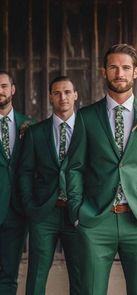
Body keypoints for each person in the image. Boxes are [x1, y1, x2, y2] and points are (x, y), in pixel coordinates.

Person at [66, 43, 137, 295]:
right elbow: (74, 168)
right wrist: (78, 211)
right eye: (113, 67)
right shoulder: (86, 117)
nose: (119, 73)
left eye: (125, 67)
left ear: (136, 72)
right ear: (104, 71)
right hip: (96, 219)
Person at [18, 76, 81, 295]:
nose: (62, 97)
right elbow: (25, 171)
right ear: (50, 97)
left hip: (77, 213)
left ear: (75, 95)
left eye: (67, 92)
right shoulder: (36, 132)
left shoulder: (87, 129)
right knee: (36, 275)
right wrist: (29, 204)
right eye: (57, 93)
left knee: (81, 276)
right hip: (44, 213)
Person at [0, 71, 34, 295]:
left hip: (15, 212)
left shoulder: (29, 126)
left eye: (3, 86)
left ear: (12, 89)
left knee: (9, 275)